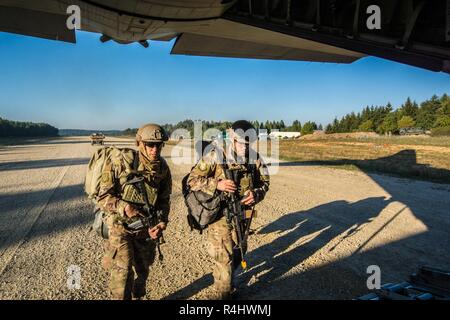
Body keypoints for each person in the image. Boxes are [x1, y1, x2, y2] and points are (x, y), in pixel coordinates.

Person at [187, 120, 270, 299]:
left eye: (248, 144)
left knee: (240, 251)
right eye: (241, 143)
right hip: (220, 217)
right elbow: (192, 181)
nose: (245, 148)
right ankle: (224, 295)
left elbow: (265, 183)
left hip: (242, 217)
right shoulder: (215, 155)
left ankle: (227, 282)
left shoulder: (254, 158)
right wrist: (217, 184)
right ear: (232, 139)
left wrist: (256, 194)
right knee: (223, 260)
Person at [97, 123, 172, 300]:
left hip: (144, 229)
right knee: (122, 274)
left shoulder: (162, 168)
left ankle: (137, 293)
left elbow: (163, 201)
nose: (155, 149)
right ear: (140, 143)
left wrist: (161, 223)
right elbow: (103, 197)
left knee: (143, 271)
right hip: (120, 226)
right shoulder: (121, 163)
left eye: (159, 145)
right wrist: (125, 207)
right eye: (150, 145)